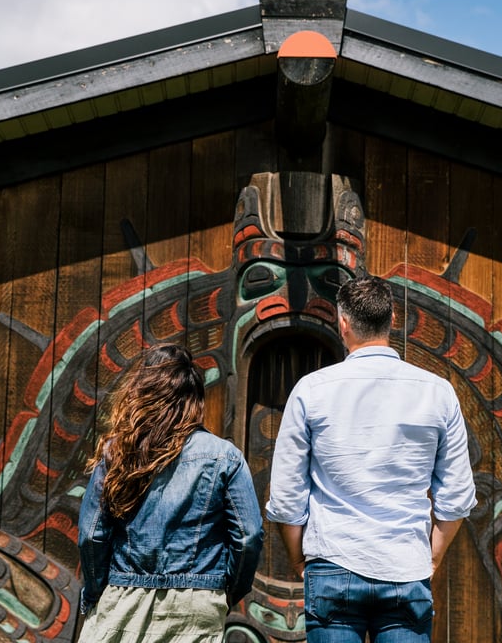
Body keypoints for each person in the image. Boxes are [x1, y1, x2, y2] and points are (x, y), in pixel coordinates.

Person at [265, 275, 477, 642]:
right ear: (393, 319)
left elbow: (286, 497)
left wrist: (300, 559)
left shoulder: (311, 391)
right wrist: (431, 558)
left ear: (343, 324)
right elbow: (457, 496)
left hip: (332, 562)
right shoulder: (438, 393)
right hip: (405, 565)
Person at [77, 343, 264, 643]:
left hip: (123, 602)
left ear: (141, 395)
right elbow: (248, 537)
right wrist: (223, 590)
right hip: (196, 605)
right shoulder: (224, 456)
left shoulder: (117, 454)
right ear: (196, 401)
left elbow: (91, 535)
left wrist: (97, 591)